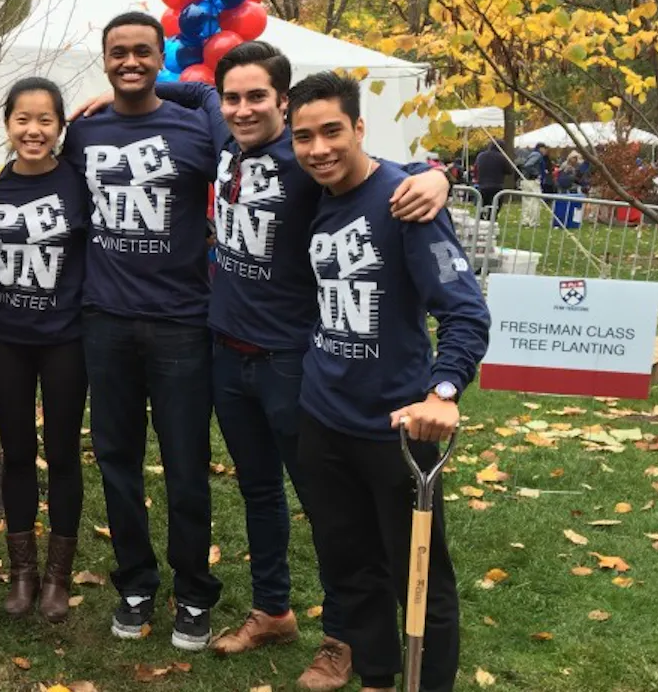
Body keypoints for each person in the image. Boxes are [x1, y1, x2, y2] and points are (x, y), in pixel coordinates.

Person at [77, 39, 448, 680]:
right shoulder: (225, 135)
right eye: (233, 98)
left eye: (258, 97)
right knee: (257, 492)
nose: (244, 109)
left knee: (326, 505)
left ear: (284, 100)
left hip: (293, 357)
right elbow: (194, 90)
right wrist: (123, 91)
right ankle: (273, 610)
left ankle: (344, 636)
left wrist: (439, 169)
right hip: (226, 350)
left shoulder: (307, 155)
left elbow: (377, 168)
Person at [288, 71, 490, 692]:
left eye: (331, 131)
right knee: (350, 568)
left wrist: (444, 391)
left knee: (421, 580)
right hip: (321, 418)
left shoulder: (407, 203)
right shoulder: (311, 192)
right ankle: (376, 676)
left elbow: (464, 310)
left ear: (358, 128)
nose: (318, 148)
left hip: (396, 428)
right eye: (304, 137)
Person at [61, 11, 226, 651]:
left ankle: (192, 592)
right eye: (117, 53)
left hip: (182, 324)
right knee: (117, 461)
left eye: (141, 52)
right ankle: (134, 580)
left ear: (161, 57)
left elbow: (221, 104)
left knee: (185, 466)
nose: (129, 63)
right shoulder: (84, 134)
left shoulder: (194, 128)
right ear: (103, 61)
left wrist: (189, 88)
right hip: (104, 322)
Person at [0, 78, 89, 622]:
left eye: (46, 120)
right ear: (7, 125)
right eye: (23, 119)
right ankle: (22, 573)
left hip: (65, 338)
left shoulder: (79, 181)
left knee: (64, 452)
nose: (34, 130)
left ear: (60, 127)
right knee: (18, 452)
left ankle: (57, 577)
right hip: (6, 337)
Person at [472, 142, 510, 217]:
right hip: (496, 185)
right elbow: (509, 170)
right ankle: (491, 219)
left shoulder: (481, 156)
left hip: (482, 184)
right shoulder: (502, 157)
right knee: (495, 205)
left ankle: (481, 219)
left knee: (481, 205)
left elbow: (475, 168)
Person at [519, 141, 549, 223]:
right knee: (535, 201)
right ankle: (533, 221)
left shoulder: (531, 154)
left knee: (526, 202)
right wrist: (537, 174)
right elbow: (528, 165)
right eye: (545, 149)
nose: (546, 151)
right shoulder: (537, 155)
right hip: (532, 181)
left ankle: (525, 220)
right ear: (541, 148)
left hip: (525, 180)